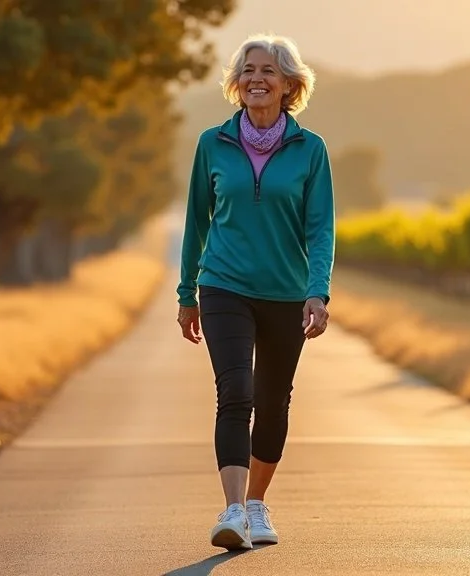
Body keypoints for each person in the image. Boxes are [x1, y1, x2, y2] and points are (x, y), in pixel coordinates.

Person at [176, 32, 335, 551]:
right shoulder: (212, 144)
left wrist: (317, 292)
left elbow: (320, 228)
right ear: (236, 83)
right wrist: (187, 293)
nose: (256, 79)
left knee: (273, 402)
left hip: (286, 293)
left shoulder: (310, 150)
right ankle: (233, 509)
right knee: (235, 392)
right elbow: (196, 222)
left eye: (268, 71)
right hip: (223, 285)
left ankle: (258, 505)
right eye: (248, 70)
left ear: (289, 84)